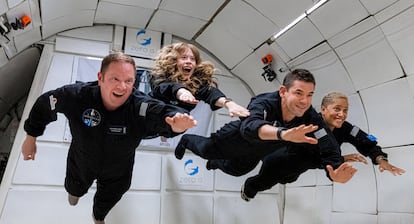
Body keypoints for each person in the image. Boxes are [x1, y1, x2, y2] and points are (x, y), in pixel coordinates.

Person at [21, 52, 197, 224]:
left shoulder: (139, 105)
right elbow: (45, 104)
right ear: (100, 78)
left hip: (118, 169)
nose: (122, 87)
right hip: (82, 161)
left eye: (129, 81)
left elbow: (163, 113)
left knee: (108, 198)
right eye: (115, 79)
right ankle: (75, 193)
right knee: (74, 189)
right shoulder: (78, 96)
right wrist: (31, 137)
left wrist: (176, 125)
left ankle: (99, 218)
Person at [174, 69, 357, 196]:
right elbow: (250, 126)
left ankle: (215, 163)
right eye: (299, 93)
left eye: (310, 95)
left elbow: (327, 142)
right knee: (206, 150)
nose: (304, 101)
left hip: (259, 151)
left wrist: (333, 170)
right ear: (283, 91)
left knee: (237, 170)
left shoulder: (309, 116)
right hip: (235, 138)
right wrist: (283, 134)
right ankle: (186, 140)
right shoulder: (264, 102)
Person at [241, 91, 405, 201]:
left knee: (289, 179)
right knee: (262, 183)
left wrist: (380, 159)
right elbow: (315, 155)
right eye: (337, 109)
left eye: (345, 110)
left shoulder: (346, 128)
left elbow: (366, 141)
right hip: (279, 161)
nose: (342, 114)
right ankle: (248, 188)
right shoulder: (308, 123)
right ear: (323, 109)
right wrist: (339, 160)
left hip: (299, 169)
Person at [148, 42, 250, 117]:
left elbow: (211, 93)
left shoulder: (196, 83)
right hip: (148, 117)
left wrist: (228, 104)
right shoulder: (159, 76)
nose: (189, 62)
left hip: (172, 125)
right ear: (173, 61)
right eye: (184, 58)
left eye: (192, 59)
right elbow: (165, 87)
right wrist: (182, 92)